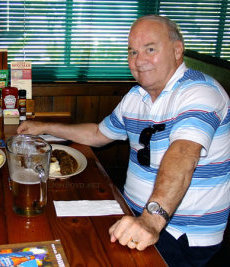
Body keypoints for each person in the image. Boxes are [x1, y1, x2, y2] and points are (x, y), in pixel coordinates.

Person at [17, 15, 229, 266]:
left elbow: (183, 154)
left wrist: (150, 221)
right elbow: (97, 134)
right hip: (130, 213)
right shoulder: (136, 96)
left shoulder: (200, 92)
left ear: (177, 50)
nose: (139, 61)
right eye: (133, 52)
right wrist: (43, 127)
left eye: (150, 49)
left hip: (179, 233)